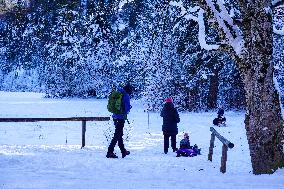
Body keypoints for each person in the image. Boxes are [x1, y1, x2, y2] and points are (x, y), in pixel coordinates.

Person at [106, 84, 133, 158]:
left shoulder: (118, 92)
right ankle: (110, 152)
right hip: (121, 118)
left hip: (115, 117)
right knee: (117, 135)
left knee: (119, 134)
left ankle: (123, 151)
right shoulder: (126, 95)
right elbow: (127, 109)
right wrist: (129, 108)